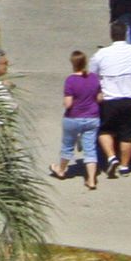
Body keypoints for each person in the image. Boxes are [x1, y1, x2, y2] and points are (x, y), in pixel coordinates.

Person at [90, 21, 131, 176]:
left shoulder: (101, 54)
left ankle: (111, 157)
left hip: (110, 98)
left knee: (104, 130)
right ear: (126, 35)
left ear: (111, 35)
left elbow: (93, 74)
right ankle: (124, 166)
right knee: (127, 134)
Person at [52, 50, 102, 188]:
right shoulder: (93, 78)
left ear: (72, 64)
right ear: (85, 62)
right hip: (92, 118)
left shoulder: (70, 80)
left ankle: (61, 170)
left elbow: (68, 103)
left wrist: (66, 103)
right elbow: (99, 98)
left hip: (73, 118)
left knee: (68, 146)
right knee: (90, 149)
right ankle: (91, 179)